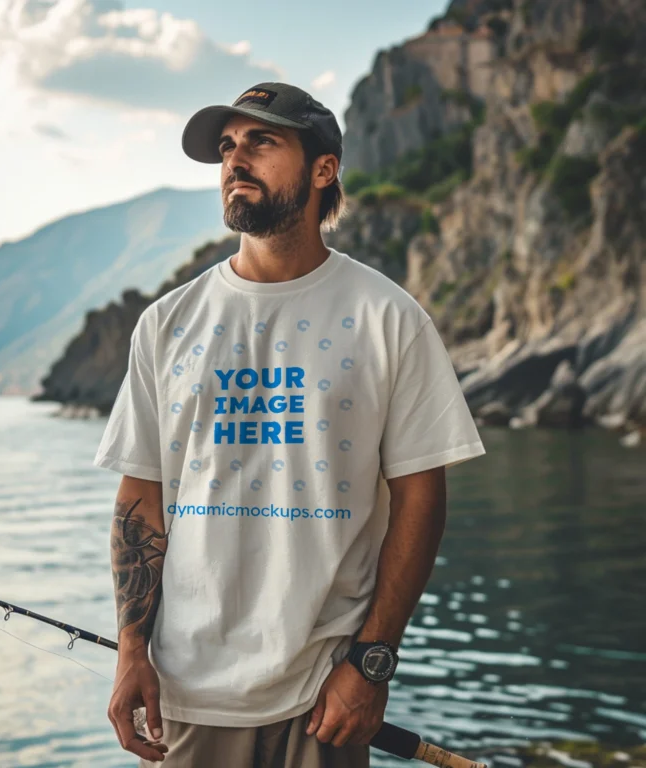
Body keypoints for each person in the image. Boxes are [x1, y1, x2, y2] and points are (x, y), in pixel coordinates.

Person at [93, 81, 486, 767]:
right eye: (227, 147)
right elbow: (141, 499)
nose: (235, 161)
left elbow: (422, 497)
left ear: (322, 169)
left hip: (325, 695)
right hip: (191, 694)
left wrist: (371, 663)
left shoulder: (388, 318)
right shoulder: (167, 324)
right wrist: (131, 653)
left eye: (261, 142)